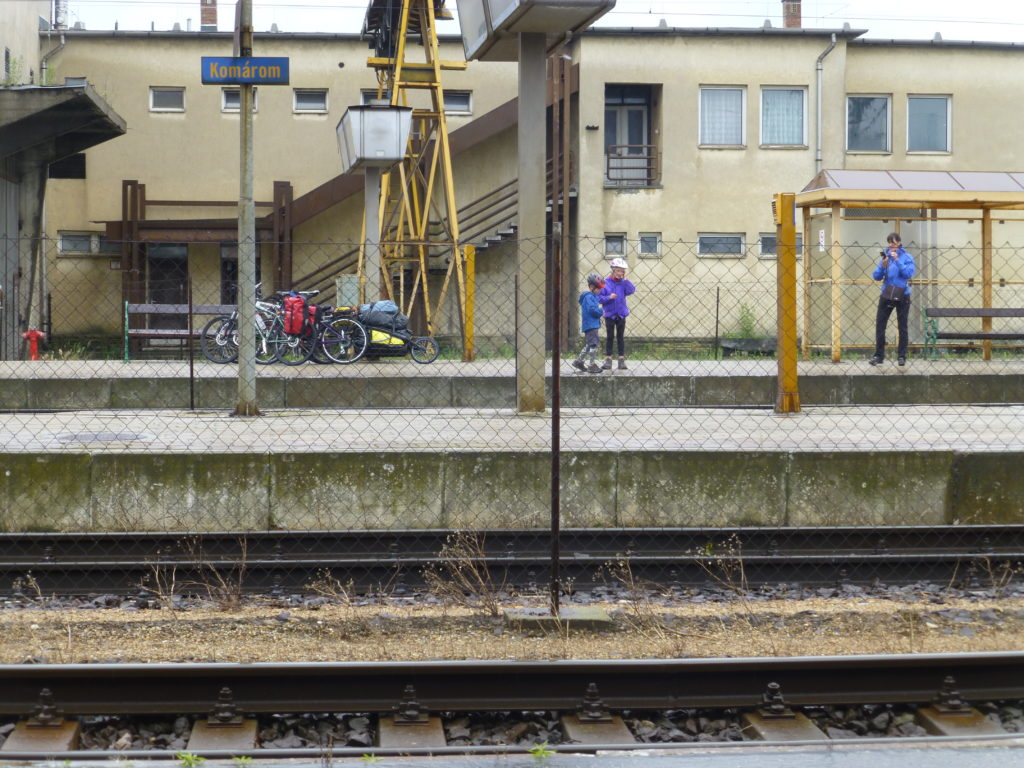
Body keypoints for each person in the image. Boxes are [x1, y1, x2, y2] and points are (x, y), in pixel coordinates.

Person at [869, 232, 916, 367]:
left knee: (902, 326)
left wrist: (897, 260)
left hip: (903, 295)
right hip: (887, 294)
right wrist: (882, 266)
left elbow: (908, 273)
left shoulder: (907, 257)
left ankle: (901, 356)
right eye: (889, 243)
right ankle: (879, 356)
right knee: (880, 325)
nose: (891, 246)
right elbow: (876, 276)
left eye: (894, 243)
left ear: (899, 243)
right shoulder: (886, 257)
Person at [599, 256, 636, 370]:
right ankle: (608, 359)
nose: (620, 273)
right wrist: (609, 297)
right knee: (610, 337)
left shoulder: (623, 283)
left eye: (622, 271)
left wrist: (626, 281)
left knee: (620, 337)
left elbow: (631, 290)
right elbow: (599, 298)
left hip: (621, 314)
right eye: (619, 270)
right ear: (613, 270)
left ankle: (621, 360)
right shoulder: (605, 283)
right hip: (610, 314)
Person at [572, 273, 605, 374]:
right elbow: (592, 310)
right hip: (591, 324)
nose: (600, 290)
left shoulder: (591, 296)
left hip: (591, 324)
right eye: (598, 288)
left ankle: (579, 361)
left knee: (589, 344)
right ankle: (591, 365)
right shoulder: (589, 297)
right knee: (593, 344)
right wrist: (601, 311)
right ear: (591, 287)